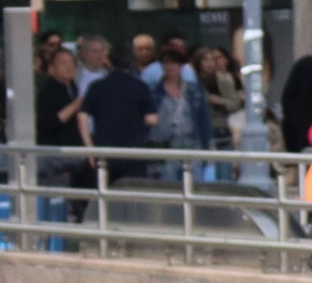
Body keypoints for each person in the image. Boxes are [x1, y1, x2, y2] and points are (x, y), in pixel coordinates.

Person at [79, 41, 161, 184]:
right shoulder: (139, 87)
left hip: (104, 153)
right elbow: (152, 119)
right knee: (132, 198)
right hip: (133, 154)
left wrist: (89, 148)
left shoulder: (97, 87)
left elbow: (82, 115)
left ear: (109, 62)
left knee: (106, 198)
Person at [146, 49, 213, 178]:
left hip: (192, 143)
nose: (171, 67)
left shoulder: (194, 89)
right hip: (164, 147)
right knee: (167, 188)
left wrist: (209, 145)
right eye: (167, 63)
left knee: (194, 184)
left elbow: (203, 119)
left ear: (181, 66)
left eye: (175, 63)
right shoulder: (152, 90)